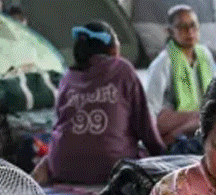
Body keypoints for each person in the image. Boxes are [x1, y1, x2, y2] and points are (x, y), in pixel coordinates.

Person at [38, 22, 165, 186]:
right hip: (111, 167)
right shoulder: (122, 69)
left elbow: (60, 122)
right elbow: (145, 127)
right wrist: (162, 155)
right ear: (112, 48)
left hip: (62, 166)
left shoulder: (68, 77)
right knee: (141, 158)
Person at [145, 4, 216, 146]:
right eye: (182, 27)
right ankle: (171, 138)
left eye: (193, 25)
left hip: (195, 120)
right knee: (207, 117)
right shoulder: (163, 62)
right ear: (170, 31)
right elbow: (150, 108)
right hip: (169, 120)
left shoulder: (205, 55)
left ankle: (174, 136)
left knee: (212, 115)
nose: (189, 31)